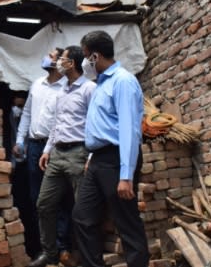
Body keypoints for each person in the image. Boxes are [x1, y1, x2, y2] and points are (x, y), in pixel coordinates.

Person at [72, 31, 149, 267]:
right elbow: (103, 126)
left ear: (95, 56)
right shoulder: (100, 84)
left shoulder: (123, 81)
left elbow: (129, 130)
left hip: (117, 159)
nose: (84, 62)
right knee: (82, 217)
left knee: (126, 223)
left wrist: (126, 175)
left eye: (85, 57)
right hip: (98, 160)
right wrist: (92, 155)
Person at [31, 46, 96, 267]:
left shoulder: (89, 89)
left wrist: (91, 156)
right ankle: (50, 255)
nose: (59, 62)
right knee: (44, 204)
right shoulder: (61, 93)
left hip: (79, 152)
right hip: (57, 153)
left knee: (82, 210)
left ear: (73, 64)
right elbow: (57, 125)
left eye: (63, 59)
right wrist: (47, 150)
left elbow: (96, 124)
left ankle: (87, 257)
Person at [13, 48, 70, 259]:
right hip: (35, 147)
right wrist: (20, 140)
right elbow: (27, 113)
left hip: (57, 147)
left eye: (52, 56)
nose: (46, 57)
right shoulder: (37, 84)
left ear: (60, 63)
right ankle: (46, 248)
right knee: (37, 198)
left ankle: (62, 246)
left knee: (60, 197)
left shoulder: (67, 88)